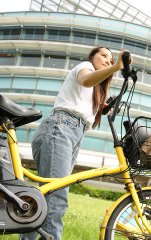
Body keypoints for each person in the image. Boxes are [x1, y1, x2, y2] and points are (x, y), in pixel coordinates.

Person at [20, 47, 132, 240]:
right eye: (104, 55)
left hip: (70, 132)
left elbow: (86, 91)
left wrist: (102, 107)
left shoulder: (96, 87)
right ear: (92, 57)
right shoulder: (85, 66)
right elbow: (86, 80)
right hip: (61, 128)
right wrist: (116, 66)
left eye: (111, 58)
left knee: (47, 196)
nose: (107, 60)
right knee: (56, 198)